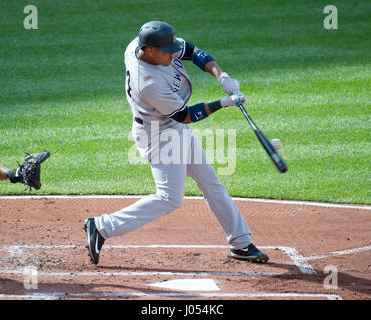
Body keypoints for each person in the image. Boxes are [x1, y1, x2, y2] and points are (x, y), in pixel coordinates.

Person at [84, 21, 269, 265]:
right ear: (149, 50)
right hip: (159, 135)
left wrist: (221, 76)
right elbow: (185, 115)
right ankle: (102, 227)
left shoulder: (143, 46)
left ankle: (241, 243)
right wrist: (224, 103)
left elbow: (192, 51)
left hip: (171, 127)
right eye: (168, 51)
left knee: (210, 181)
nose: (173, 53)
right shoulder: (148, 82)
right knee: (169, 198)